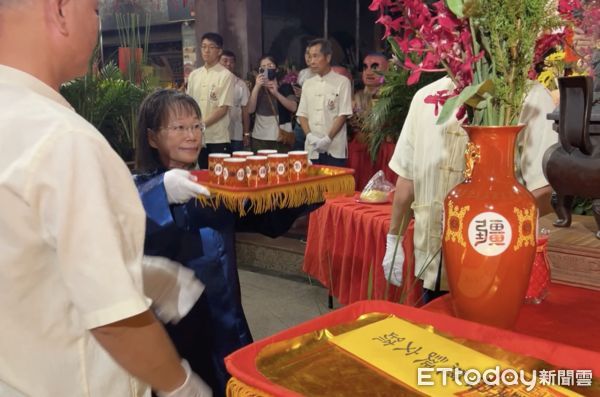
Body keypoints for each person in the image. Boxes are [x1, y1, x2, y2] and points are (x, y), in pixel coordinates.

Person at [0, 1, 209, 396]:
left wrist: (134, 270)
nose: (98, 24)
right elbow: (114, 319)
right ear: (60, 10)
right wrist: (181, 386)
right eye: (94, 8)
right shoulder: (63, 140)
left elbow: (22, 259)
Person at [134, 89, 319, 397]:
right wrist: (164, 189)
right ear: (152, 137)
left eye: (196, 126)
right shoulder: (139, 187)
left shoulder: (215, 185)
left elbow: (263, 219)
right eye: (179, 128)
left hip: (225, 313)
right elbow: (129, 214)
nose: (192, 135)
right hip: (174, 321)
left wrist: (304, 191)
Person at [381, 76, 558, 302]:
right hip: (432, 264)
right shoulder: (425, 97)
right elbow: (407, 179)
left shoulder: (528, 95)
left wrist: (490, 224)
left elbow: (546, 191)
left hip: (497, 262)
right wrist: (393, 240)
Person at [297, 38, 353, 166]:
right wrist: (310, 137)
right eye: (310, 57)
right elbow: (302, 114)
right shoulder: (307, 84)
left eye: (316, 56)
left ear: (328, 58)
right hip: (312, 149)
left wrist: (327, 139)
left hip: (334, 148)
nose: (312, 61)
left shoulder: (342, 82)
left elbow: (343, 114)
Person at [187, 32, 234, 168]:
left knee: (220, 177)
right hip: (197, 137)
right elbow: (189, 104)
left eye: (211, 47)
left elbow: (223, 108)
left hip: (217, 137)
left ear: (219, 51)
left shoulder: (225, 75)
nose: (206, 51)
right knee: (201, 175)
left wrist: (202, 125)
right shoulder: (194, 75)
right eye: (203, 47)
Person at [246, 55, 298, 152]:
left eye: (270, 66)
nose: (267, 69)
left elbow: (293, 107)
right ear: (260, 70)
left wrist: (276, 93)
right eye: (263, 67)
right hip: (260, 138)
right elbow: (250, 110)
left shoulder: (285, 87)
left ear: (276, 69)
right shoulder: (257, 88)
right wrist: (257, 87)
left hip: (281, 137)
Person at [219, 50, 250, 152]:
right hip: (217, 135)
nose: (228, 64)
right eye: (225, 61)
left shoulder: (241, 85)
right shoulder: (212, 83)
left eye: (231, 62)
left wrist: (246, 133)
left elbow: (245, 110)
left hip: (235, 133)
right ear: (219, 62)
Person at [292, 45, 317, 150]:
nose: (308, 57)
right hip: (300, 122)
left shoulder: (322, 75)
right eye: (306, 53)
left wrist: (305, 94)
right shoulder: (303, 73)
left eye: (312, 54)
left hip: (315, 124)